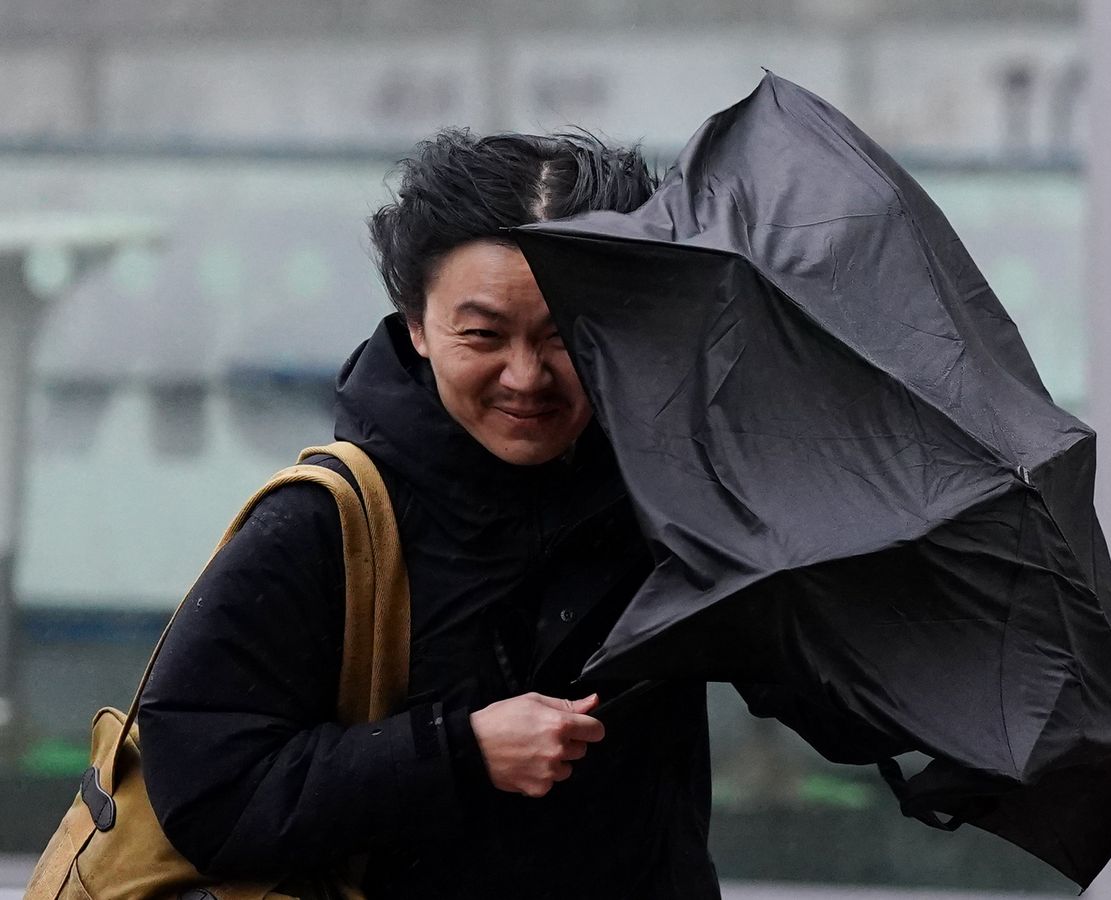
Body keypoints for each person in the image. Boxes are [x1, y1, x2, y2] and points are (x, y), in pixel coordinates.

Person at [139, 130, 721, 899]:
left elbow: (826, 699)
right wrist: (461, 749)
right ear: (417, 325)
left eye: (565, 336)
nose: (526, 376)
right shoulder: (327, 525)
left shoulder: (678, 499)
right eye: (482, 335)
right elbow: (209, 790)